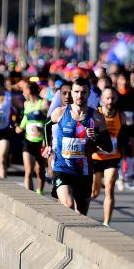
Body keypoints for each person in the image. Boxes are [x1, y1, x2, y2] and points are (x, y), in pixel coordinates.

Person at [43, 75, 112, 215]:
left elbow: (109, 147)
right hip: (62, 169)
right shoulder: (61, 112)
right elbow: (46, 126)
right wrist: (47, 146)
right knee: (68, 204)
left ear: (89, 93)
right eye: (76, 92)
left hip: (84, 172)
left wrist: (96, 138)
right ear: (72, 93)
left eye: (83, 92)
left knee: (81, 215)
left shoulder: (97, 117)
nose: (79, 95)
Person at [91, 85, 124, 226]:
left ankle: (106, 223)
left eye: (112, 98)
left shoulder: (120, 115)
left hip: (112, 156)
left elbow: (122, 135)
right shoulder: (95, 114)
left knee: (109, 188)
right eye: (107, 98)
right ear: (102, 99)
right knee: (94, 193)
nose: (110, 101)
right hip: (96, 158)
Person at [17, 81, 48, 193]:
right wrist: (20, 127)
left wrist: (43, 130)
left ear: (29, 90)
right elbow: (26, 118)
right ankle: (29, 196)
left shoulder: (43, 103)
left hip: (41, 142)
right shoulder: (26, 104)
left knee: (40, 171)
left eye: (24, 89)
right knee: (29, 171)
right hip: (28, 140)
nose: (22, 92)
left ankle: (40, 191)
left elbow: (50, 121)